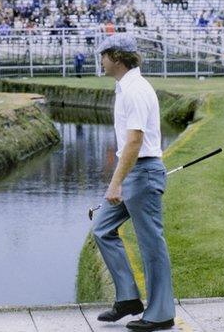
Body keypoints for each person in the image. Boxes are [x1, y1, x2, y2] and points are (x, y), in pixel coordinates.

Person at [92, 33, 175, 331]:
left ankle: (161, 313)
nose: (100, 60)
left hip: (142, 173)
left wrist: (115, 183)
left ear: (116, 57)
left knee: (152, 244)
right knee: (102, 228)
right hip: (136, 173)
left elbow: (135, 141)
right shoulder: (125, 87)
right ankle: (128, 299)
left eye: (103, 55)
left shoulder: (135, 90)